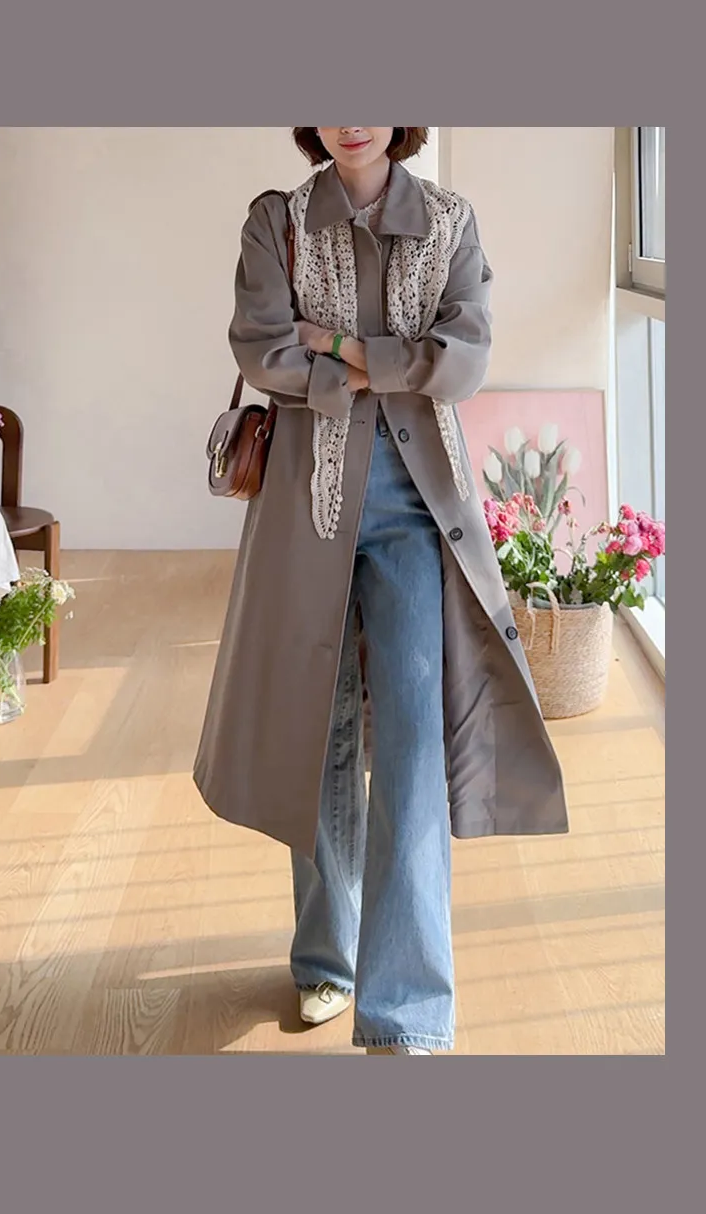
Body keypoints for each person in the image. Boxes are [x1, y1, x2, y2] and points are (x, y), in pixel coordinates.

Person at [194, 128, 568, 1055]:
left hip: (416, 514)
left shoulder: (449, 220)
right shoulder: (276, 221)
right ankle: (328, 958)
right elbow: (262, 350)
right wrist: (391, 361)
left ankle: (407, 1012)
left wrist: (336, 347)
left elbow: (463, 360)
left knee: (411, 745)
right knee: (315, 737)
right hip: (304, 512)